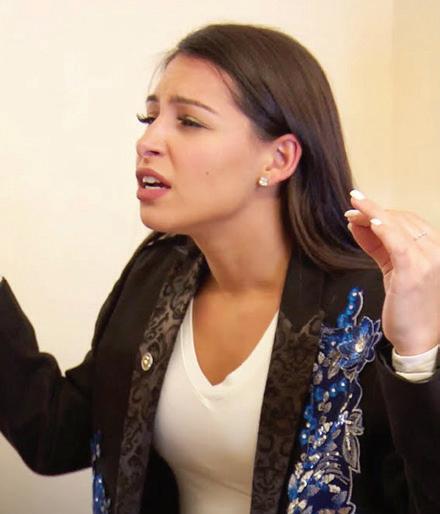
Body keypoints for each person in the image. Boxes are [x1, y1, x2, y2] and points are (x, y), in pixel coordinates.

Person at [0, 23, 439, 514]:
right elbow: (57, 436)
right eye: (149, 117)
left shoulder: (371, 302)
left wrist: (417, 355)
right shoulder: (158, 275)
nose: (148, 141)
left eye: (188, 122)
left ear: (278, 159)